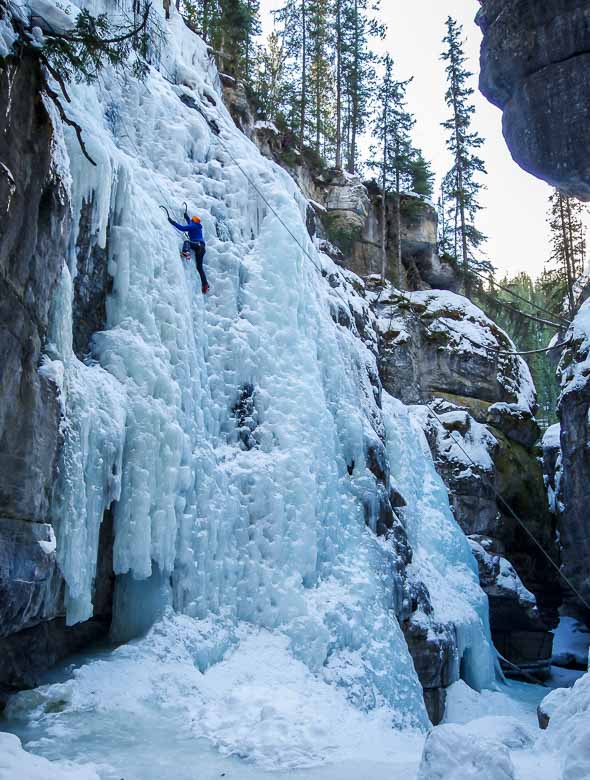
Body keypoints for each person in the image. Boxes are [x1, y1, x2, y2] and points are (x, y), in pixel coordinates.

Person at [168, 212, 209, 294]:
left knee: (187, 242)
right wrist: (186, 217)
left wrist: (173, 223)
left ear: (193, 221)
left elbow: (183, 228)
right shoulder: (197, 226)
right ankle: (205, 285)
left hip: (198, 245)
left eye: (191, 220)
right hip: (202, 248)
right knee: (199, 268)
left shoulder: (193, 225)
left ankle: (186, 252)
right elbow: (189, 222)